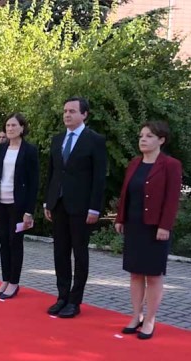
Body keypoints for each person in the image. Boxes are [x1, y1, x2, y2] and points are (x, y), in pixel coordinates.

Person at [114, 122, 182, 340]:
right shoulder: (135, 163)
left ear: (161, 140)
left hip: (155, 228)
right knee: (135, 273)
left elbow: (172, 199)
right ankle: (136, 316)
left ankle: (150, 319)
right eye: (141, 135)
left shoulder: (170, 165)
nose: (143, 139)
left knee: (153, 275)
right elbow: (126, 193)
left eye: (149, 136)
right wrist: (120, 218)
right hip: (134, 225)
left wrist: (165, 226)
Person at [44, 97, 107, 318]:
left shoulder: (95, 140)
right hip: (59, 204)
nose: (67, 115)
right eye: (65, 111)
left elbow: (99, 177)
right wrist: (48, 201)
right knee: (60, 252)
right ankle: (62, 296)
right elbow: (53, 173)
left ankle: (74, 300)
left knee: (79, 253)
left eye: (72, 111)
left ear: (84, 114)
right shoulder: (58, 139)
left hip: (81, 206)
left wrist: (95, 208)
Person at [0, 114, 39, 299]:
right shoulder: (1, 149)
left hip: (18, 205)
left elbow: (34, 183)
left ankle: (14, 283)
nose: (10, 128)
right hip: (0, 203)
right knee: (3, 241)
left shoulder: (29, 151)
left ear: (22, 128)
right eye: (7, 125)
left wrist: (29, 211)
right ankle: (5, 279)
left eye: (14, 125)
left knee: (15, 242)